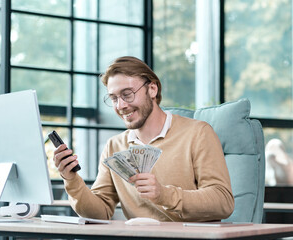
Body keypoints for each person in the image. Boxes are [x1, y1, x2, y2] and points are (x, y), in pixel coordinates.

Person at [53, 56, 234, 222]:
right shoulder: (114, 146)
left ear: (152, 89)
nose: (121, 105)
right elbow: (99, 213)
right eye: (114, 98)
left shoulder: (198, 133)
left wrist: (164, 195)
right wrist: (71, 180)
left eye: (127, 94)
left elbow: (223, 202)